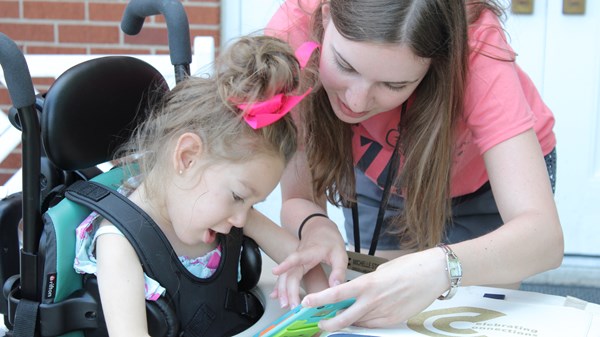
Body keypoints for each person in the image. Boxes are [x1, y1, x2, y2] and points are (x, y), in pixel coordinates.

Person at [265, 0, 563, 331]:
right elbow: (297, 197)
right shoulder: (292, 33)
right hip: (380, 169)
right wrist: (315, 226)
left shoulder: (478, 51)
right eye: (345, 66)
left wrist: (441, 268)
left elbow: (543, 241)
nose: (356, 102)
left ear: (436, 63)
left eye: (394, 85)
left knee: (467, 311)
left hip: (483, 184)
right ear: (326, 16)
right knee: (377, 310)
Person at [72, 35, 327, 336]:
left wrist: (319, 307)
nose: (243, 219)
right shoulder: (119, 244)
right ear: (188, 157)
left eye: (252, 203)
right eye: (238, 196)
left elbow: (302, 260)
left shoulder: (226, 214)